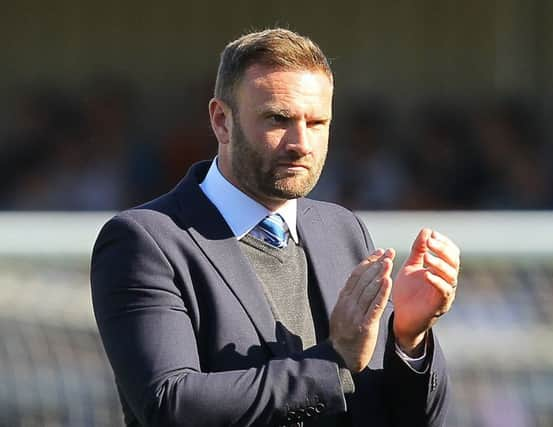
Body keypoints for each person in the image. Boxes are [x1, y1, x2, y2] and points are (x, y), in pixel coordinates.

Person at [91, 28, 460, 427]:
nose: (301, 142)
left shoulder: (343, 229)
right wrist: (334, 361)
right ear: (221, 121)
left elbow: (412, 418)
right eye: (278, 119)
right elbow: (170, 405)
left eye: (317, 122)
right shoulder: (147, 241)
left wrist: (410, 338)